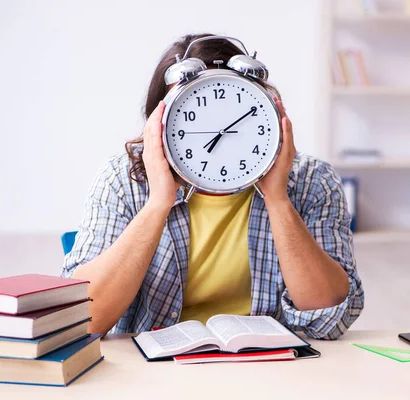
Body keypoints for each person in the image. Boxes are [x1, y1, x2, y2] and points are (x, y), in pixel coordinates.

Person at [62, 33, 364, 340]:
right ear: (157, 124)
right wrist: (157, 204)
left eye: (238, 114)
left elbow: (328, 314)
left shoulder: (312, 180)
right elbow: (85, 320)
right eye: (189, 117)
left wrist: (278, 200)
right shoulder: (122, 180)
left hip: (270, 369)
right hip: (155, 372)